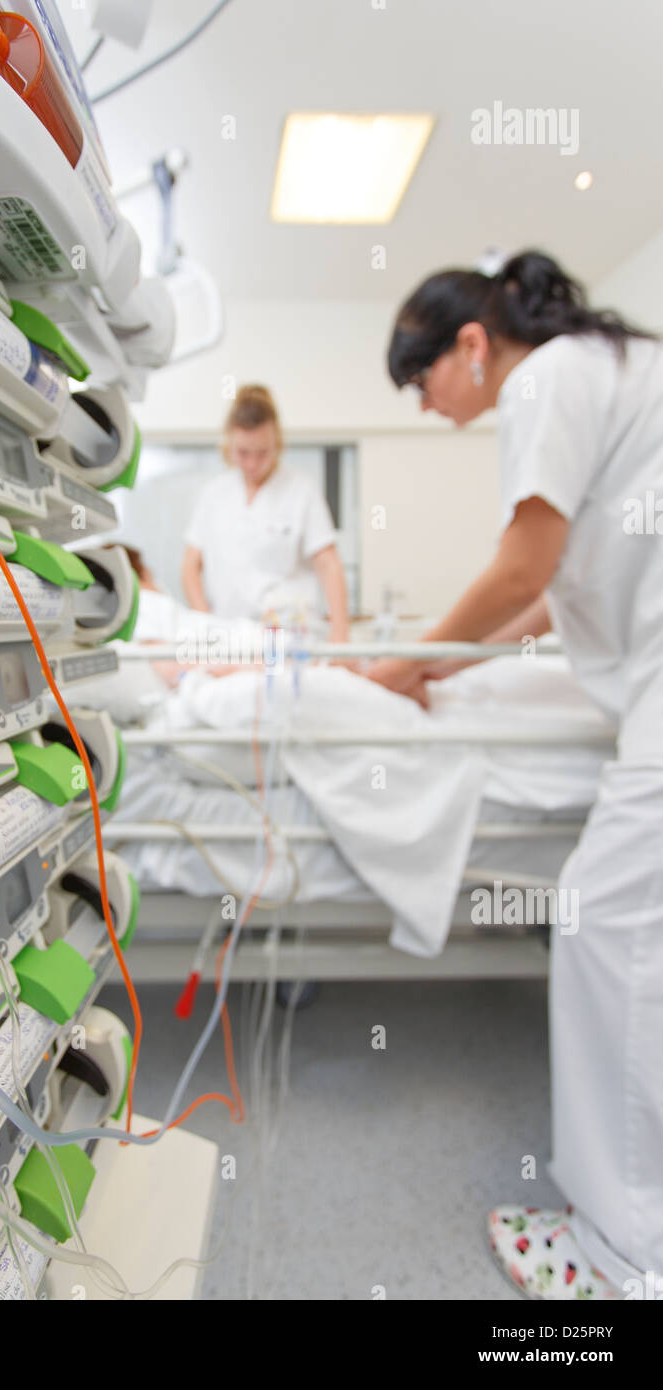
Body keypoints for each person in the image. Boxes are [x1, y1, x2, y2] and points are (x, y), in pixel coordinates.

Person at [370, 249, 663, 1301]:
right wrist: (455, 661)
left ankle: (623, 1256)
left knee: (604, 929)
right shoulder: (604, 370)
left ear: (470, 343)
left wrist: (414, 663)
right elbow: (550, 596)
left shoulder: (543, 378)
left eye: (422, 378)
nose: (427, 403)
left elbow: (518, 567)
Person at [181, 385, 350, 643]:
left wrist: (340, 636)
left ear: (277, 443)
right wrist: (206, 623)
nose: (252, 464)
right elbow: (190, 566)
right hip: (231, 635)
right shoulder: (214, 494)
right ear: (229, 443)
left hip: (289, 633)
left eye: (262, 453)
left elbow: (329, 564)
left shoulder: (301, 490)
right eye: (243, 453)